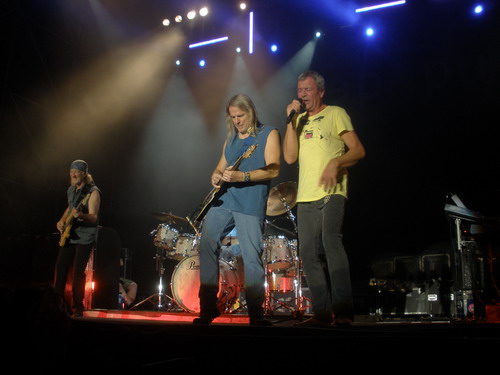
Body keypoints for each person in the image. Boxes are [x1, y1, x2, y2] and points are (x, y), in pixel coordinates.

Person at [283, 71, 366, 327]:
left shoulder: (335, 113)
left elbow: (358, 150)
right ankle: (321, 313)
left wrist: (336, 162)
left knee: (331, 242)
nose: (303, 95)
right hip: (306, 196)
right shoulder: (297, 121)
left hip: (332, 191)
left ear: (320, 91)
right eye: (300, 90)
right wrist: (289, 121)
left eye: (307, 90)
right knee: (307, 254)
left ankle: (343, 313)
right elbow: (289, 158)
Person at [193, 94, 281, 325]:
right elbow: (220, 166)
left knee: (252, 256)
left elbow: (273, 170)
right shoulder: (231, 139)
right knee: (207, 243)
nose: (237, 121)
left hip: (250, 201)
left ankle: (256, 312)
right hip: (225, 199)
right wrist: (215, 174)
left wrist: (243, 176)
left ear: (251, 112)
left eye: (240, 116)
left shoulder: (268, 133)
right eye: (233, 117)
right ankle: (208, 308)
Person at [55, 160, 101, 317]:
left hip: (85, 237)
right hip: (69, 234)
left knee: (78, 272)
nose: (73, 175)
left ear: (84, 174)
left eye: (76, 172)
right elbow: (69, 207)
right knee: (60, 267)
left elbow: (93, 217)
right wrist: (62, 221)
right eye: (71, 172)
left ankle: (78, 307)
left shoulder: (93, 192)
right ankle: (56, 303)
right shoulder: (71, 190)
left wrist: (81, 215)